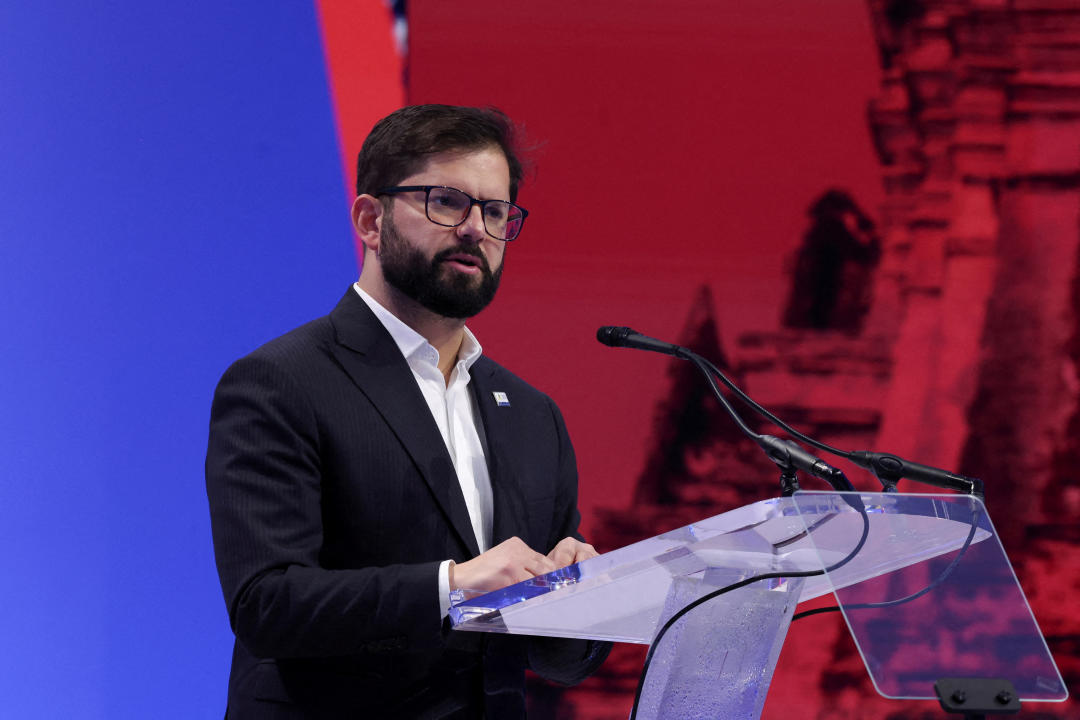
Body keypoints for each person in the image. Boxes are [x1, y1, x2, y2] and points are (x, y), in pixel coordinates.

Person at [205, 104, 610, 719]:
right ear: (371, 220)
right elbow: (268, 603)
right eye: (447, 202)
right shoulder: (280, 382)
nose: (475, 228)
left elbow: (549, 658)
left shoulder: (532, 416)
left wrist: (579, 600)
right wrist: (452, 585)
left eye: (495, 212)